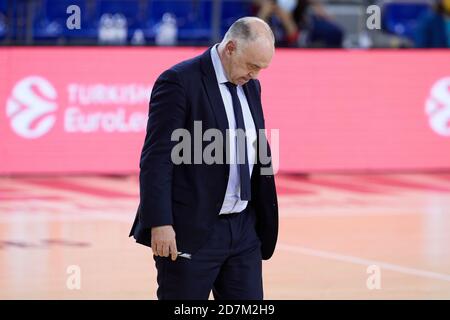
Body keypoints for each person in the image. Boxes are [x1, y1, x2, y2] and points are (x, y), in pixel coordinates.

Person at [129, 17, 279, 300]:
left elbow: (257, 146)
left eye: (261, 68)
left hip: (244, 230)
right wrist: (159, 222)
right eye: (252, 65)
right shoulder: (179, 81)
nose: (256, 75)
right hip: (192, 229)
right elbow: (156, 158)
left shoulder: (251, 86)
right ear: (231, 47)